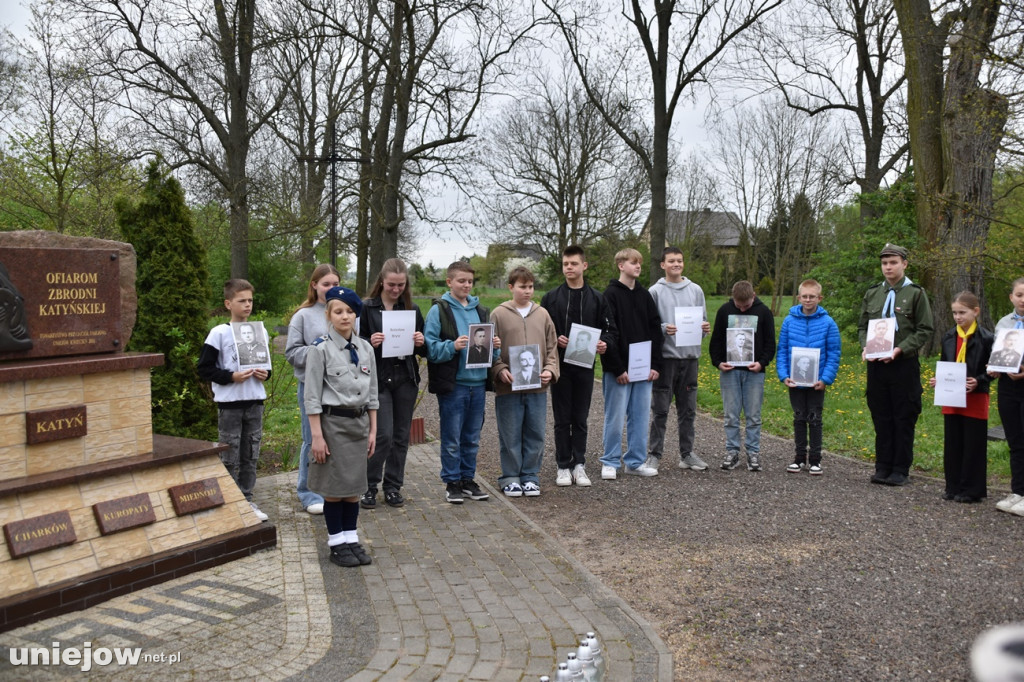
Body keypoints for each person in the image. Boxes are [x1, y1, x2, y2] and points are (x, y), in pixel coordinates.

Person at [305, 286, 378, 568]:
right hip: (332, 425)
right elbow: (311, 398)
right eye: (338, 311)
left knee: (354, 488)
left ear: (356, 315)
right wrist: (317, 437)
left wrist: (373, 430)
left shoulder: (365, 348)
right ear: (329, 315)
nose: (344, 316)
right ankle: (336, 543)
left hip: (359, 425)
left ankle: (351, 538)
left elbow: (372, 395)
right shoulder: (320, 349)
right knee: (335, 489)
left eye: (349, 311)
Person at [858, 243, 934, 486]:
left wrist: (901, 349)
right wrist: (864, 346)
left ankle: (900, 468)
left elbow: (925, 329)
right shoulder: (872, 293)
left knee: (903, 416)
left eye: (893, 262)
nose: (888, 267)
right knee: (881, 415)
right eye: (884, 263)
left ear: (904, 264)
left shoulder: (916, 293)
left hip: (903, 364)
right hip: (877, 366)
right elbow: (862, 326)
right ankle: (883, 466)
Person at [424, 261, 500, 504]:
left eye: (469, 281)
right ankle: (452, 482)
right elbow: (429, 347)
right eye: (461, 281)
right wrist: (453, 346)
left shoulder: (481, 311)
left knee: (472, 437)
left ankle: (468, 479)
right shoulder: (440, 310)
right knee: (452, 437)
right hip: (454, 385)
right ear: (449, 282)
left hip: (477, 384)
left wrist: (495, 348)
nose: (466, 285)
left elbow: (489, 354)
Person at [197, 279, 271, 522]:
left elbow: (266, 369)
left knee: (250, 452)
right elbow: (204, 369)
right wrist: (230, 376)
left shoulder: (260, 332)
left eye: (250, 300)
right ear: (229, 303)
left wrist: (265, 374)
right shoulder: (218, 333)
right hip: (230, 404)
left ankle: (247, 499)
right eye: (242, 301)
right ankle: (229, 501)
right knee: (229, 453)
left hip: (254, 402)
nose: (247, 305)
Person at [358, 258, 427, 510]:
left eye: (400, 285)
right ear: (381, 282)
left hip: (405, 378)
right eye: (391, 285)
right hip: (379, 378)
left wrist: (421, 341)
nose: (396, 289)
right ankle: (368, 486)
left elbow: (425, 350)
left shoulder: (412, 309)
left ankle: (393, 486)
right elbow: (355, 345)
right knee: (383, 434)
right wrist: (369, 341)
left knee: (401, 436)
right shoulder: (366, 308)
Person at [540, 245, 611, 487]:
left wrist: (603, 344)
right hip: (559, 366)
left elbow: (610, 331)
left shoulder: (598, 298)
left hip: (585, 367)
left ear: (584, 266)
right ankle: (562, 465)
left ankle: (579, 464)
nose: (569, 268)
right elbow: (542, 332)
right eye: (565, 264)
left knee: (580, 417)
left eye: (573, 264)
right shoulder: (551, 298)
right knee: (561, 418)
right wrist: (556, 338)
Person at [490, 267, 559, 496]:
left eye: (530, 286)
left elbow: (552, 348)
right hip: (508, 387)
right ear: (511, 287)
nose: (527, 291)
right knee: (509, 432)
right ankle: (510, 476)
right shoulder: (498, 314)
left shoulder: (543, 314)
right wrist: (499, 369)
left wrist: (550, 369)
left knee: (535, 431)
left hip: (537, 386)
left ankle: (530, 475)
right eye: (522, 287)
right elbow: (491, 349)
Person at [599, 248, 662, 480]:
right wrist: (617, 368)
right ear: (620, 265)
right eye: (632, 262)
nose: (638, 266)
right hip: (619, 370)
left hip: (643, 368)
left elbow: (655, 329)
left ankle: (635, 462)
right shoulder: (609, 295)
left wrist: (655, 364)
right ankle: (609, 461)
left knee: (640, 415)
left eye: (640, 263)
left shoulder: (645, 296)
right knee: (614, 417)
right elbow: (607, 334)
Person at [646, 246, 711, 472]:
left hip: (690, 358)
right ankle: (654, 455)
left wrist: (704, 328)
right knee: (660, 410)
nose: (676, 264)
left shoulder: (696, 290)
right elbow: (649, 326)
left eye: (679, 260)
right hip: (666, 359)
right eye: (671, 261)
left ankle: (687, 454)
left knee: (688, 410)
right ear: (662, 264)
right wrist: (664, 328)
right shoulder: (655, 291)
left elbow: (702, 322)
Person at [285, 264, 341, 515]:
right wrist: (321, 352)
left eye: (335, 284)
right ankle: (308, 493)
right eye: (326, 284)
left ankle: (334, 489)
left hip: (340, 388)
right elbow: (292, 353)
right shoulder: (303, 316)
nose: (331, 289)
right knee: (313, 439)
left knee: (337, 439)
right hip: (313, 387)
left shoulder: (345, 311)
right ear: (314, 285)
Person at [928, 291, 993, 502]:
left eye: (962, 313)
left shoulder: (986, 338)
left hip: (974, 396)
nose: (958, 317)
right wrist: (939, 380)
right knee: (953, 441)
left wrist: (980, 380)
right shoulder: (949, 336)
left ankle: (972, 489)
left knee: (973, 443)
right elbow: (946, 363)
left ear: (975, 311)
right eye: (954, 313)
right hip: (952, 395)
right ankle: (953, 486)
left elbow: (993, 370)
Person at [776, 279, 841, 475]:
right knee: (798, 418)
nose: (808, 299)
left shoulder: (828, 323)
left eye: (812, 296)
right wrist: (783, 375)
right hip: (795, 382)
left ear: (819, 298)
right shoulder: (789, 321)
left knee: (815, 419)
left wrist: (826, 379)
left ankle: (815, 459)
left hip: (816, 382)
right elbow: (782, 351)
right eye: (804, 296)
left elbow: (834, 353)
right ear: (798, 297)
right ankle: (798, 458)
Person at [709, 280, 775, 471]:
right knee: (731, 414)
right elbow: (716, 342)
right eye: (738, 306)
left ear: (753, 296)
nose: (742, 309)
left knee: (753, 415)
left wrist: (762, 363)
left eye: (746, 306)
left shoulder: (763, 312)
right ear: (733, 298)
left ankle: (753, 453)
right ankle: (732, 451)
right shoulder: (724, 311)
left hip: (754, 372)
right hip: (730, 371)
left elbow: (771, 343)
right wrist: (718, 362)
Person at [993, 278, 1024, 516]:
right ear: (1011, 297)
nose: (1023, 300)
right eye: (1019, 295)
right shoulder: (1004, 322)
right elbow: (998, 352)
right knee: (1015, 440)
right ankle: (1018, 491)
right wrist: (994, 368)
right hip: (1007, 387)